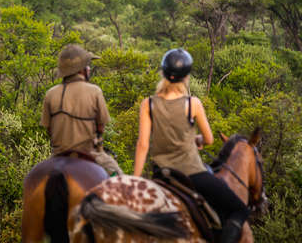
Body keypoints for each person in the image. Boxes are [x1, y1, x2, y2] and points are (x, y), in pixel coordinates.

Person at [133, 48, 250, 243]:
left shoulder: (148, 104)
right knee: (240, 209)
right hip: (192, 173)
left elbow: (142, 145)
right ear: (186, 76)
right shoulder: (192, 104)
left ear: (163, 73)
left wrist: (135, 181)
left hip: (161, 173)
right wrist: (198, 141)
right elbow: (209, 139)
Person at [41, 44, 123, 176]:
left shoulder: (50, 94)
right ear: (81, 70)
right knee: (119, 179)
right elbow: (101, 126)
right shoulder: (95, 91)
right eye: (87, 66)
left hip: (58, 155)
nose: (89, 69)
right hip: (89, 152)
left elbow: (49, 129)